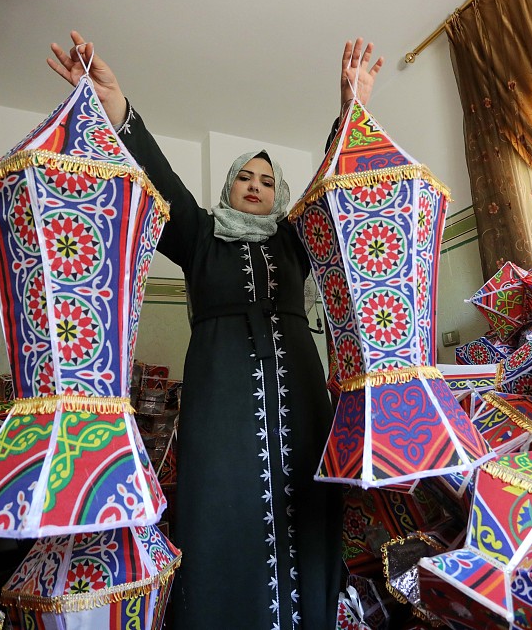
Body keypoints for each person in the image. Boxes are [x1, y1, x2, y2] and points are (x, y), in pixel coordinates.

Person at [48, 31, 382, 630]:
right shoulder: (199, 237)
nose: (253, 186)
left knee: (304, 506)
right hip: (220, 398)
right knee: (221, 504)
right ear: (227, 186)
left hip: (300, 398)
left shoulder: (292, 238)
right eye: (241, 178)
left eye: (264, 180)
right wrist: (115, 107)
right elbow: (159, 176)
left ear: (276, 192)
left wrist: (350, 110)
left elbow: (330, 185)